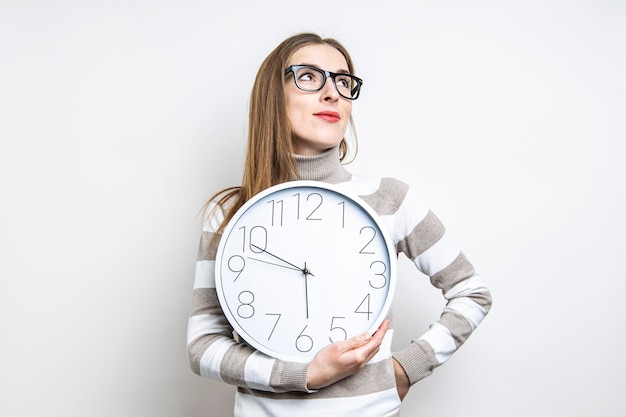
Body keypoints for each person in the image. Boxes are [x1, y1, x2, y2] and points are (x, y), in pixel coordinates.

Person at [187, 32, 492, 417]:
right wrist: (305, 375)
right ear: (272, 96)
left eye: (343, 81)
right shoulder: (232, 212)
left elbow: (472, 291)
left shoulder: (388, 200)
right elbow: (202, 346)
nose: (332, 93)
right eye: (310, 77)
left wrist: (404, 369)